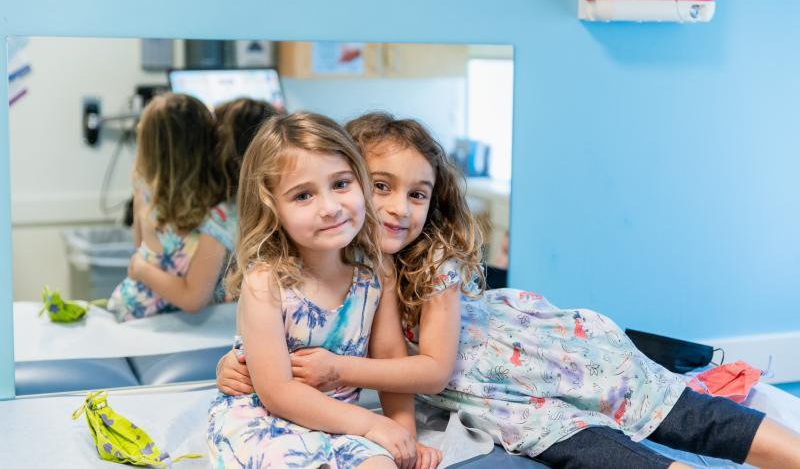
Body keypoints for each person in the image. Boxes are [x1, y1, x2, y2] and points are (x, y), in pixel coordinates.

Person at [219, 112, 800, 468]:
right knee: (586, 445)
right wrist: (237, 364)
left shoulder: (425, 264)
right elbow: (299, 343)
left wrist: (339, 376)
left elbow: (425, 369)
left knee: (671, 409)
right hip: (499, 400)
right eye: (379, 186)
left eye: (417, 194)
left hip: (539, 358)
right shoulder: (342, 268)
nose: (398, 208)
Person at [207, 111, 433, 469]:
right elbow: (278, 392)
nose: (330, 208)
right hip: (267, 421)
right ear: (272, 207)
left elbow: (391, 359)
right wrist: (372, 423)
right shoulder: (266, 283)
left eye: (341, 184)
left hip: (340, 422)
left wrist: (403, 435)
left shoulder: (376, 270)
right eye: (303, 196)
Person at [127, 97, 279, 303]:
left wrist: (139, 268)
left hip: (145, 307)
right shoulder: (227, 213)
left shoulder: (145, 193)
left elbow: (142, 255)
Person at [107, 93, 229, 321]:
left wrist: (141, 270)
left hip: (138, 312)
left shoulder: (145, 191)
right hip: (162, 324)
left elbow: (141, 251)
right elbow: (192, 298)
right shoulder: (218, 214)